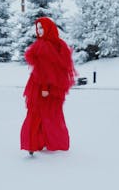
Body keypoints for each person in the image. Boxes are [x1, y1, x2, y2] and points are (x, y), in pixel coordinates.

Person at [20, 17, 77, 156]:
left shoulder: (46, 45)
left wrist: (45, 88)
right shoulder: (55, 44)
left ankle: (34, 143)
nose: (39, 31)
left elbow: (46, 69)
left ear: (49, 28)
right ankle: (41, 142)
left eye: (41, 28)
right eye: (37, 28)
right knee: (49, 114)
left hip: (43, 86)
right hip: (47, 86)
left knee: (41, 114)